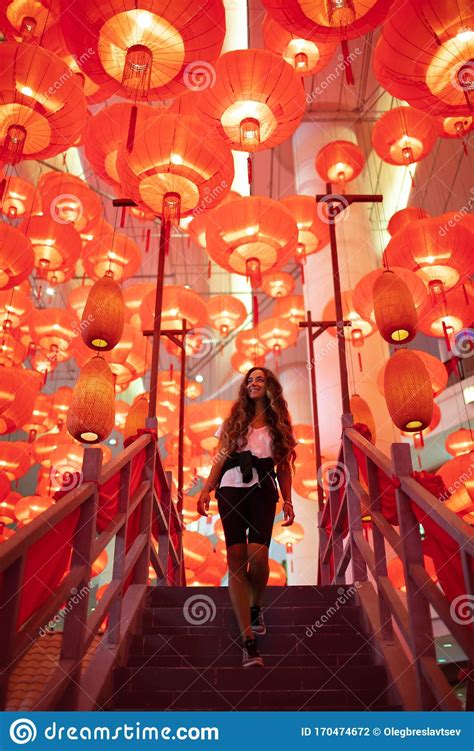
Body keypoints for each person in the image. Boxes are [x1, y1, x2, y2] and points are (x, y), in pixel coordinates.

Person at [197, 367, 297, 668]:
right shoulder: (234, 421)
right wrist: (206, 488)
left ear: (270, 388)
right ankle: (248, 643)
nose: (253, 383)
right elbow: (219, 457)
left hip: (263, 490)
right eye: (250, 380)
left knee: (259, 557)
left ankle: (256, 605)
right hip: (230, 490)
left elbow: (284, 468)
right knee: (236, 560)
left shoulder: (280, 426)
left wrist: (289, 499)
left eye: (260, 379)